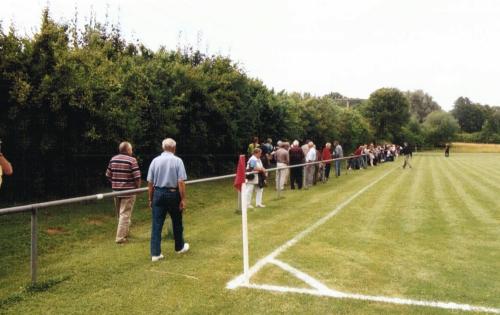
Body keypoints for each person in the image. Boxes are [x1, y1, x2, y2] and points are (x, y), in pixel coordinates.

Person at [147, 138, 189, 262]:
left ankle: (155, 254)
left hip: (158, 194)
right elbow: (180, 182)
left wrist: (150, 198)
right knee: (177, 222)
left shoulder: (155, 161)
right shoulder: (178, 161)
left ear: (163, 147)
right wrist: (183, 199)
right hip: (173, 194)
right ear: (174, 148)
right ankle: (179, 247)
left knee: (156, 224)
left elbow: (150, 182)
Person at [105, 141, 141, 244]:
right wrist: (137, 189)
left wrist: (115, 183)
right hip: (128, 191)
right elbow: (137, 177)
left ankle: (125, 233)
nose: (132, 151)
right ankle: (120, 238)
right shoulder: (132, 160)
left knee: (120, 214)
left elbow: (108, 175)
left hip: (115, 192)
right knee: (125, 214)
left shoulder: (113, 159)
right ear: (128, 150)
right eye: (131, 149)